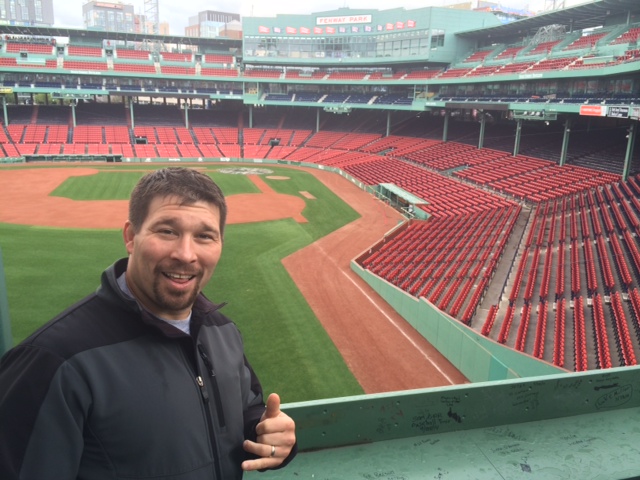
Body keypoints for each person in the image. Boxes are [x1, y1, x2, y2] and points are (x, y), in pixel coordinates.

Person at [0, 167, 297, 479]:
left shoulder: (223, 332)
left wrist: (266, 432)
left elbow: (248, 407)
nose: (186, 254)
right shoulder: (54, 361)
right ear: (131, 236)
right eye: (167, 231)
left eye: (204, 236)